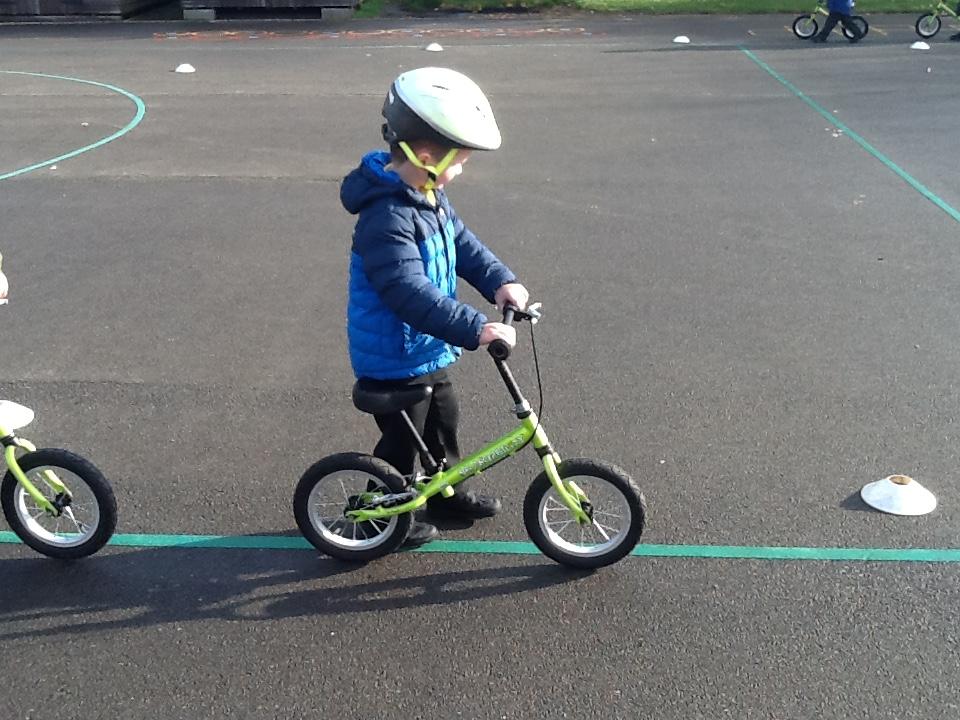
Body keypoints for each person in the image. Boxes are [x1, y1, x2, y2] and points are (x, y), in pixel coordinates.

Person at [340, 67, 529, 549]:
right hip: (394, 356)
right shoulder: (386, 219)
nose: (461, 171)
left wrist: (499, 281)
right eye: (459, 161)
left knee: (444, 422)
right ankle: (381, 517)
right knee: (403, 442)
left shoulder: (427, 194)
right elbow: (407, 292)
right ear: (426, 157)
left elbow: (461, 243)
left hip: (425, 348)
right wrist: (476, 326)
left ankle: (447, 492)